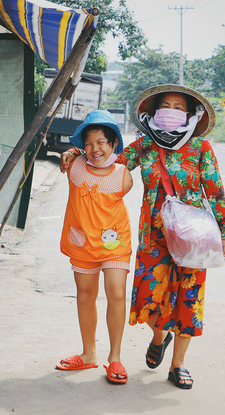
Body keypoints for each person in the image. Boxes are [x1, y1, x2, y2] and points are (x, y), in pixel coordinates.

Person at [61, 85, 225, 389]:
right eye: (165, 106)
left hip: (193, 239)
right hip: (153, 236)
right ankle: (159, 335)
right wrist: (78, 150)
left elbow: (215, 191)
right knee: (146, 300)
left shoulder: (201, 148)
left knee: (188, 298)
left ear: (190, 114)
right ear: (153, 113)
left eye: (178, 107)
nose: (171, 111)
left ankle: (178, 364)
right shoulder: (145, 146)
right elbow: (107, 162)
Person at [55, 110, 134, 385]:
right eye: (88, 143)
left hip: (115, 244)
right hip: (82, 242)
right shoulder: (73, 165)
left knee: (117, 293)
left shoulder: (124, 175)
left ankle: (115, 358)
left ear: (113, 144)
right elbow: (76, 154)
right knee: (85, 294)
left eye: (101, 142)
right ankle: (88, 354)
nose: (95, 148)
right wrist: (73, 150)